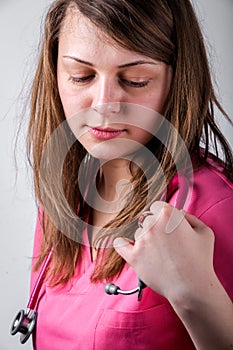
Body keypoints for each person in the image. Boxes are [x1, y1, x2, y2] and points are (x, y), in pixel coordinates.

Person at [25, 0, 233, 349]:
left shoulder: (214, 207)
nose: (105, 104)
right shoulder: (63, 198)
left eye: (136, 80)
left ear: (175, 77)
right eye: (81, 76)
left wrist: (195, 297)